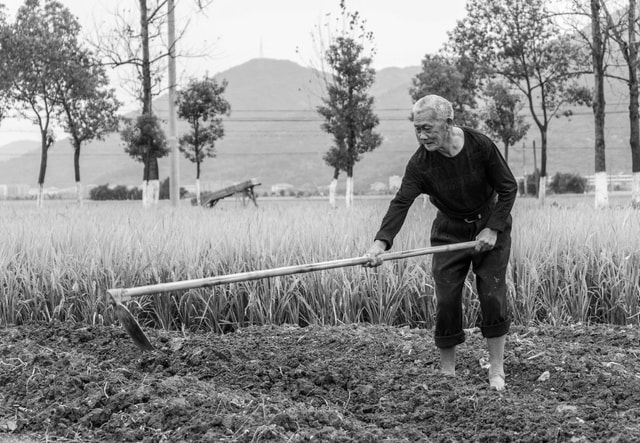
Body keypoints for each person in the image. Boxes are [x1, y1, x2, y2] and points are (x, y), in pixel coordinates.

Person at [364, 94, 517, 391]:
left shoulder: (480, 146)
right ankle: (448, 374)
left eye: (428, 128)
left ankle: (496, 368)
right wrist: (379, 244)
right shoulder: (421, 164)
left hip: (490, 224)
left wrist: (493, 229)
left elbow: (508, 187)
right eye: (417, 129)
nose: (422, 135)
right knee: (446, 299)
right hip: (449, 229)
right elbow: (401, 203)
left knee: (492, 295)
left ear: (448, 123)